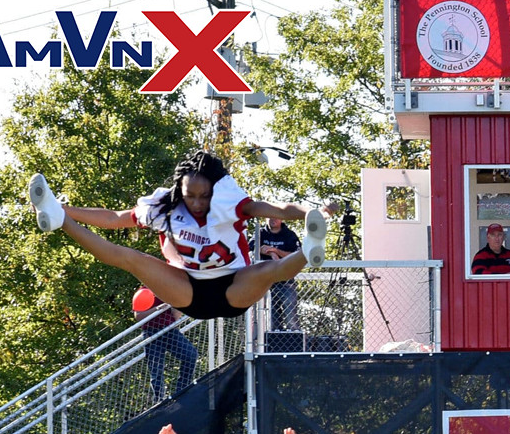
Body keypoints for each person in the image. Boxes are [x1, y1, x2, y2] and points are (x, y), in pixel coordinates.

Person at [28, 150, 327, 320]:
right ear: (179, 189)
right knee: (130, 258)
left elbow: (276, 208)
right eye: (190, 196)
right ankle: (58, 218)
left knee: (270, 270)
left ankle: (310, 249)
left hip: (233, 288)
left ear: (215, 191)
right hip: (187, 290)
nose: (197, 203)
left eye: (204, 196)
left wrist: (310, 214)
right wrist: (66, 208)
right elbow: (113, 218)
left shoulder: (229, 202)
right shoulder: (166, 206)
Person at [134, 288, 197, 400]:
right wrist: (157, 309)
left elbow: (175, 316)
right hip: (151, 333)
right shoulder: (144, 291)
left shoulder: (167, 289)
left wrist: (176, 304)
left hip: (169, 330)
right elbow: (138, 316)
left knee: (190, 355)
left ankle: (182, 390)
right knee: (156, 368)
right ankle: (159, 399)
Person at [255, 217, 303, 330]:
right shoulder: (260, 233)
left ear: (281, 219)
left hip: (286, 280)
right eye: (270, 216)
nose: (273, 219)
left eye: (276, 216)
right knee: (271, 318)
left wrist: (276, 251)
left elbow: (296, 255)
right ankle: (274, 339)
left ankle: (294, 338)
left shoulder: (289, 235)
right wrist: (271, 253)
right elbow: (253, 248)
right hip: (265, 281)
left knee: (291, 316)